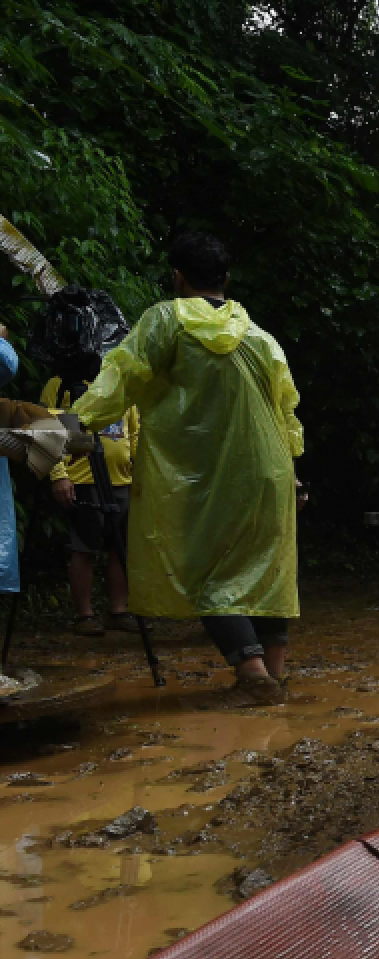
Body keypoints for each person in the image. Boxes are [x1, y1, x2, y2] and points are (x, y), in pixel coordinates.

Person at [70, 232, 304, 702]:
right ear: (226, 279)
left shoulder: (166, 321)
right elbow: (287, 407)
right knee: (268, 569)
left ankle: (253, 672)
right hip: (272, 471)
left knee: (207, 568)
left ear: (177, 277)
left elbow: (122, 374)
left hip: (212, 473)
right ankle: (274, 675)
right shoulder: (259, 336)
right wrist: (294, 468)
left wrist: (76, 423)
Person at [42, 354, 140, 637]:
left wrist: (139, 471)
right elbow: (47, 430)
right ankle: (84, 615)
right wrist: (59, 474)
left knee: (119, 549)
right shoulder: (62, 384)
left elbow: (134, 431)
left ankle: (118, 611)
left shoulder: (120, 380)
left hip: (123, 479)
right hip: (83, 478)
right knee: (84, 547)